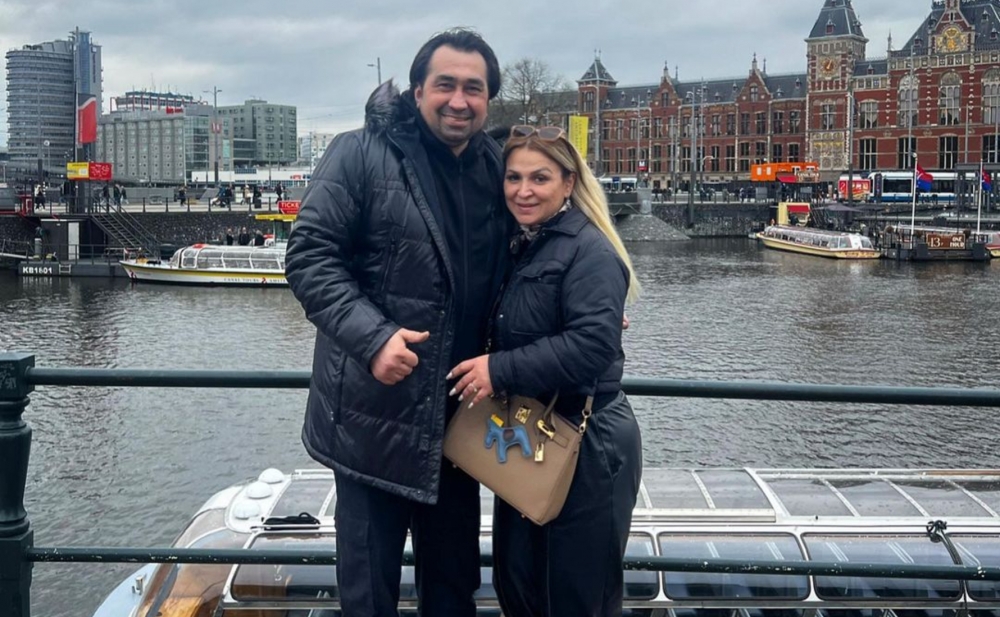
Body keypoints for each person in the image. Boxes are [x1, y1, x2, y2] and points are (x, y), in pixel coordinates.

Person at [285, 28, 509, 617]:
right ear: (417, 91)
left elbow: (545, 240)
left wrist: (590, 297)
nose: (459, 100)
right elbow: (309, 257)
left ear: (489, 99)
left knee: (453, 589)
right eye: (445, 84)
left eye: (473, 88)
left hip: (458, 419)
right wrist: (373, 337)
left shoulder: (497, 166)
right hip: (372, 420)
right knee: (368, 594)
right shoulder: (358, 153)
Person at [447, 125, 644, 617]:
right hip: (533, 435)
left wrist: (498, 369)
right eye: (513, 177)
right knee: (520, 584)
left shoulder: (589, 251)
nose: (523, 190)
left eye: (540, 178)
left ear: (568, 182)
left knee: (574, 596)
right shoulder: (524, 244)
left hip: (585, 443)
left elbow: (593, 346)